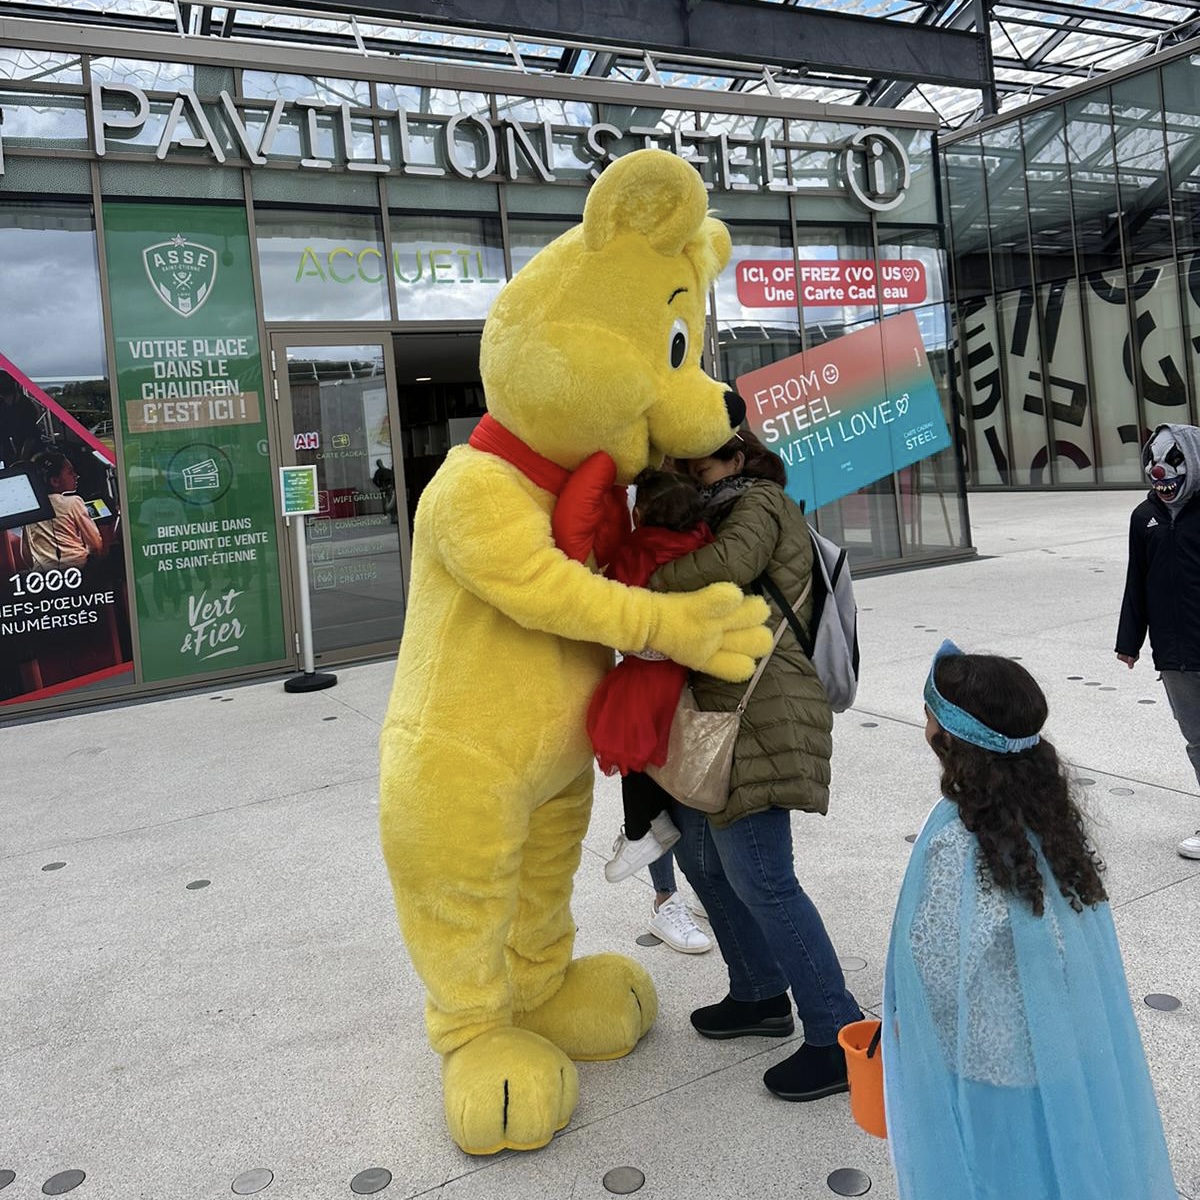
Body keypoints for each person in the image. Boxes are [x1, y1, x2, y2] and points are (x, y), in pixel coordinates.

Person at [883, 641, 1176, 1200]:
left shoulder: (959, 837)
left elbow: (940, 964)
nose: (923, 723)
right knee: (1046, 1163)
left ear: (951, 738)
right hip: (1050, 1041)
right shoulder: (1041, 810)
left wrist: (907, 1021)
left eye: (927, 714)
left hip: (984, 1055)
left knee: (996, 1169)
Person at [650, 428, 862, 1101]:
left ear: (740, 458)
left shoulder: (759, 504)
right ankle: (760, 993)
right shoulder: (713, 509)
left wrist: (641, 579)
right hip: (720, 711)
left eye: (704, 462)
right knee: (701, 857)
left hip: (762, 711)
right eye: (685, 464)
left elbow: (730, 566)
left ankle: (837, 1034)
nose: (694, 474)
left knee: (764, 878)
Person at [587, 467, 714, 953]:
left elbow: (610, 606)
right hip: (680, 680)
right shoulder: (702, 540)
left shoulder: (641, 548)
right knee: (663, 781)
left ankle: (677, 884)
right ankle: (667, 898)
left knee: (645, 769)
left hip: (658, 682)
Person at [1116, 422, 1200, 858]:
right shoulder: (1143, 517)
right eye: (1152, 460)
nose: (1160, 469)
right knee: (1197, 737)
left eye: (1172, 459)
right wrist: (1129, 641)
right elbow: (1138, 581)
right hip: (1174, 653)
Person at [22, 450, 102, 570]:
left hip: (44, 576)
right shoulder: (73, 502)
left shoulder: (30, 508)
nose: (76, 475)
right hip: (79, 569)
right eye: (70, 472)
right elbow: (95, 545)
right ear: (54, 481)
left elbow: (26, 555)